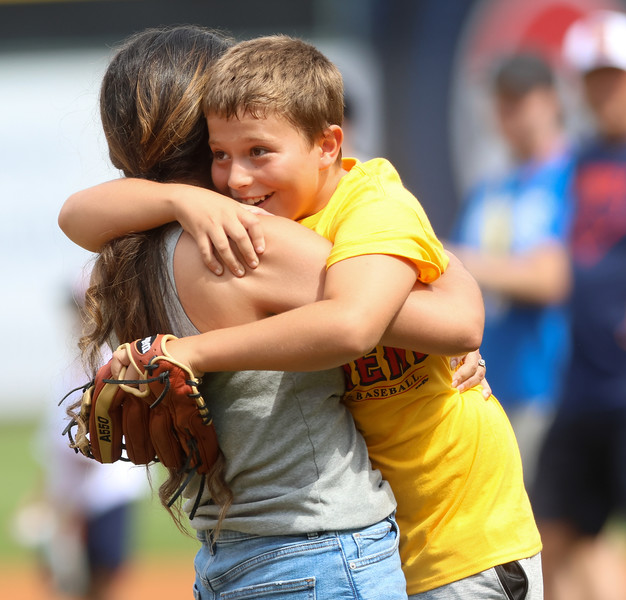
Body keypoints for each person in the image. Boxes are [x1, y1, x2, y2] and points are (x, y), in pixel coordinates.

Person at [62, 33, 541, 599]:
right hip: (325, 548)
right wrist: (446, 272)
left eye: (256, 149)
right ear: (202, 127)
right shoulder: (251, 239)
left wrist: (177, 202)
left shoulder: (126, 253)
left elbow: (73, 216)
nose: (237, 174)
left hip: (230, 555)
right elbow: (449, 319)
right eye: (222, 150)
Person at [533, 10, 626, 600]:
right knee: (550, 536)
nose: (604, 89)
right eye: (593, 77)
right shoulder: (582, 158)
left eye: (615, 74)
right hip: (582, 381)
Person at [450, 52, 573, 490]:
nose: (511, 113)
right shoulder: (491, 187)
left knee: (554, 531)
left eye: (521, 98)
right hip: (492, 382)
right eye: (503, 101)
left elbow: (552, 280)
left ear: (551, 100)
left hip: (554, 382)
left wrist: (461, 258)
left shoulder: (574, 174)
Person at [15, 283, 148, 600]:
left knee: (99, 582)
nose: (81, 317)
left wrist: (61, 509)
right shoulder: (68, 370)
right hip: (71, 498)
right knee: (66, 583)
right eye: (77, 308)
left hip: (104, 495)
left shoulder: (116, 364)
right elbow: (55, 451)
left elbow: (96, 449)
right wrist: (44, 498)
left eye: (87, 307)